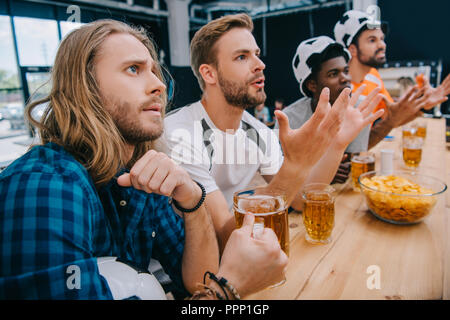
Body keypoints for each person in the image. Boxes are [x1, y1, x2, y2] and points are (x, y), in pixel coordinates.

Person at [0, 19, 287, 300]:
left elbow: (197, 282)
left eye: (154, 71)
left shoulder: (141, 174)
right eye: (134, 69)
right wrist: (229, 289)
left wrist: (193, 202)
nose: (158, 86)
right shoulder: (45, 184)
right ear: (85, 89)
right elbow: (211, 291)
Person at [157, 13, 383, 253]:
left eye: (257, 54)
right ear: (209, 74)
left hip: (239, 251)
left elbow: (297, 199)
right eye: (242, 57)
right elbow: (224, 232)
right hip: (188, 272)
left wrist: (338, 143)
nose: (260, 64)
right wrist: (295, 164)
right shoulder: (179, 133)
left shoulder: (257, 132)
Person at [334, 10, 450, 148]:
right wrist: (392, 120)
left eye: (382, 39)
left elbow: (392, 117)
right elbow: (350, 147)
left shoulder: (373, 75)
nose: (382, 45)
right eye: (372, 40)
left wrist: (423, 105)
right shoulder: (337, 89)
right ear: (352, 49)